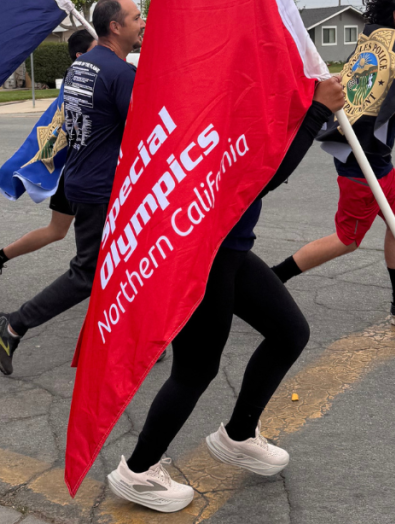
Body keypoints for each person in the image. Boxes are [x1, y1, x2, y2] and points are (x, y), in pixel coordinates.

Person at [104, 76, 346, 512]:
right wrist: (317, 113)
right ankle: (137, 472)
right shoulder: (215, 91)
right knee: (196, 370)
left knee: (289, 332)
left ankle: (238, 435)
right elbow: (258, 177)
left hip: (228, 247)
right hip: (200, 253)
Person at [270, 0, 395, 326]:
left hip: (366, 154)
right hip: (364, 162)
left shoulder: (374, 40)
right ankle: (270, 280)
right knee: (347, 239)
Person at [0, 0, 144, 375]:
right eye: (137, 17)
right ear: (115, 26)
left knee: (126, 261)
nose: (143, 23)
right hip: (100, 187)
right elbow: (143, 130)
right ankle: (12, 325)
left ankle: (133, 338)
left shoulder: (81, 66)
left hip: (78, 177)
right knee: (89, 272)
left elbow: (75, 124)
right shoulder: (121, 74)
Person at [0, 29, 97, 294]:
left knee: (59, 231)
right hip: (75, 170)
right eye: (97, 48)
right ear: (80, 56)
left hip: (83, 169)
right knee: (62, 230)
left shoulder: (86, 78)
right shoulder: (78, 83)